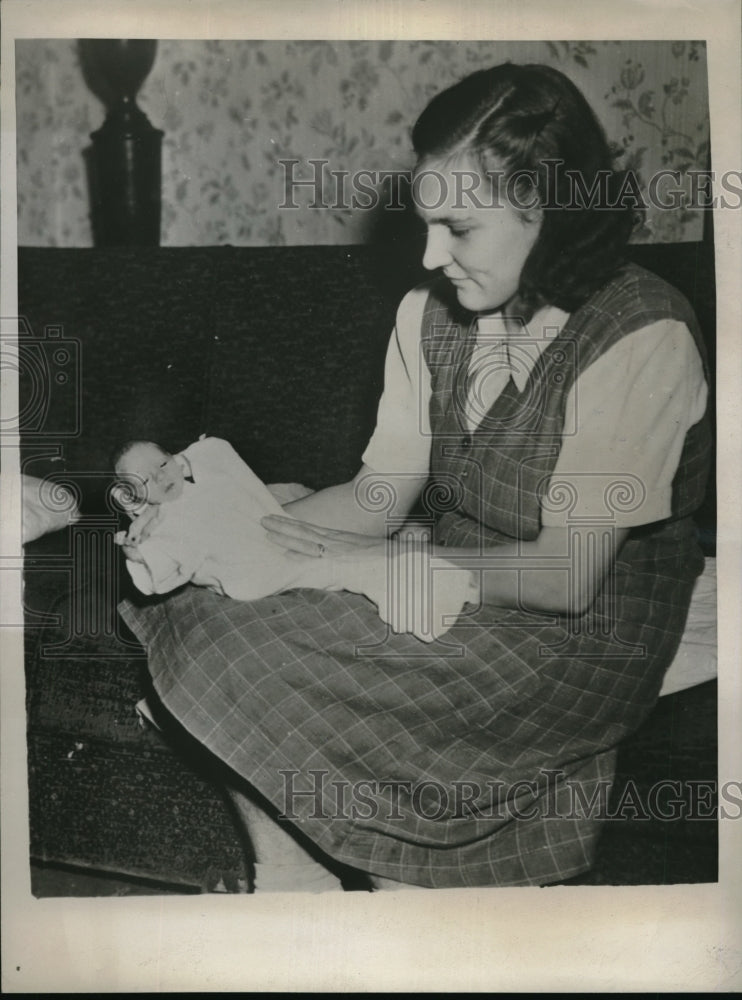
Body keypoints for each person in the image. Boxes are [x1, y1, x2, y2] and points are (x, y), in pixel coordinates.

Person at [119, 63, 710, 892]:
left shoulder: (641, 336)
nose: (432, 255)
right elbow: (381, 494)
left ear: (550, 207)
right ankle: (291, 871)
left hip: (585, 624)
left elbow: (568, 577)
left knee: (266, 639)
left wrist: (337, 565)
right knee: (206, 600)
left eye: (459, 228)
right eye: (427, 222)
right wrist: (220, 529)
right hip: (455, 561)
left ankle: (388, 882)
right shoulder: (427, 315)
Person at [113, 435, 476, 641]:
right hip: (250, 570)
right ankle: (422, 590)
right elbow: (160, 572)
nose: (160, 479)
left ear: (176, 459)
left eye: (161, 465)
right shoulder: (164, 524)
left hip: (266, 536)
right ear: (137, 496)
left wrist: (187, 462)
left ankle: (419, 577)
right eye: (145, 482)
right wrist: (136, 551)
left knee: (334, 562)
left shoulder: (204, 480)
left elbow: (216, 454)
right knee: (335, 568)